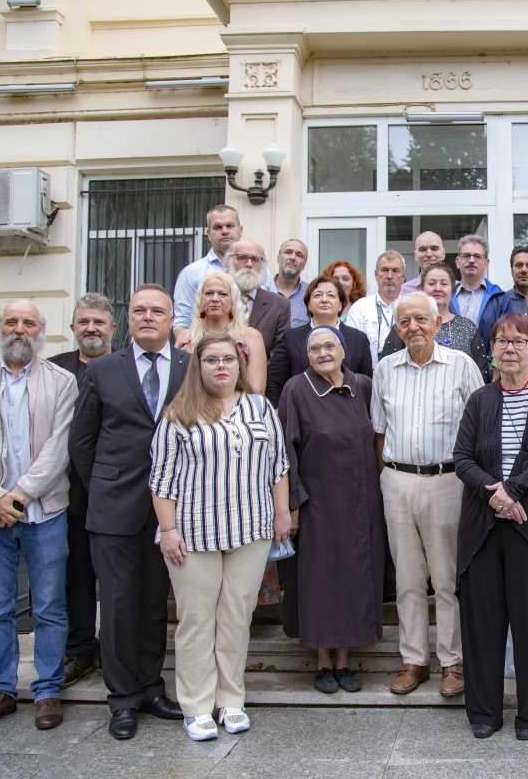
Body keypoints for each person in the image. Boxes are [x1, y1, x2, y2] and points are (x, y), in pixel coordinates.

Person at [149, 333, 290, 741]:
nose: (221, 366)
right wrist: (168, 530)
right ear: (199, 365)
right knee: (196, 619)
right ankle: (196, 706)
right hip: (193, 534)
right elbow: (161, 480)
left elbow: (278, 466)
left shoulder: (260, 408)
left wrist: (282, 513)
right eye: (212, 359)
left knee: (236, 617)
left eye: (228, 359)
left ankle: (231, 700)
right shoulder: (179, 413)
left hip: (251, 530)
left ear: (239, 364)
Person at [0, 300, 78, 733]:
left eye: (29, 323)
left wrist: (19, 496)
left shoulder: (61, 382)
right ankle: (0, 690)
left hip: (45, 512)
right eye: (11, 321)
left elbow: (60, 447)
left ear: (42, 330)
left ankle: (47, 690)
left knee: (50, 607)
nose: (19, 329)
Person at [69, 284, 190, 740]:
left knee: (154, 603)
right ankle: (122, 698)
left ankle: (151, 686)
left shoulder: (189, 366)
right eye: (140, 310)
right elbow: (82, 441)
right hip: (114, 507)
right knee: (118, 605)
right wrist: (104, 486)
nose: (148, 317)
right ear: (128, 318)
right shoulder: (103, 370)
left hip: (172, 510)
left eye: (157, 311)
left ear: (170, 320)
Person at [454, 313, 528, 741]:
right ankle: (484, 711)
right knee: (482, 623)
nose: (510, 349)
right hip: (482, 526)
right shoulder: (479, 400)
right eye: (502, 341)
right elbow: (462, 458)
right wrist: (494, 495)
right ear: (492, 350)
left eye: (519, 342)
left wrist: (512, 490)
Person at [372, 292, 485, 697]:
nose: (413, 327)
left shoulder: (462, 365)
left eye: (421, 319)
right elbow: (379, 431)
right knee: (407, 578)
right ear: (396, 329)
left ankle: (453, 663)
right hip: (398, 479)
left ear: (438, 323)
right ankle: (413, 659)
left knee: (447, 577)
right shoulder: (385, 369)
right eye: (404, 322)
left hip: (447, 480)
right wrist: (387, 476)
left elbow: (480, 425)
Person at [278, 327, 385, 695]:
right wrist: (292, 503)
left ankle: (345, 660)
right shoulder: (296, 390)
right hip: (318, 504)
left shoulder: (363, 386)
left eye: (329, 346)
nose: (323, 353)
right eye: (314, 348)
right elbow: (286, 452)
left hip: (362, 501)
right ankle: (324, 662)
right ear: (306, 355)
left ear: (343, 351)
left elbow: (378, 439)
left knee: (356, 578)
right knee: (321, 581)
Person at [48, 293, 115, 688]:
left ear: (112, 328)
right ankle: (79, 650)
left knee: (116, 576)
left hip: (116, 489)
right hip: (67, 490)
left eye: (99, 322)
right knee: (76, 574)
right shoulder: (54, 370)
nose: (91, 328)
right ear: (73, 327)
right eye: (84, 322)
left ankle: (114, 647)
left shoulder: (125, 366)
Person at [172, 204, 275, 341]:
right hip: (207, 350)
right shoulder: (192, 273)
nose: (225, 231)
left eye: (229, 226)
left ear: (240, 230)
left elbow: (274, 312)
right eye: (218, 227)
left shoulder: (260, 271)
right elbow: (182, 323)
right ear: (208, 233)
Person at [266, 276, 373, 406]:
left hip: (348, 411)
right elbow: (275, 383)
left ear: (340, 305)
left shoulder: (358, 339)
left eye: (331, 295)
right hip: (303, 410)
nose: (324, 300)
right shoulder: (290, 338)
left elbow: (366, 386)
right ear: (308, 305)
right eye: (317, 295)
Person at [380, 263, 486, 378]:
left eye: (444, 284)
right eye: (432, 283)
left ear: (452, 289)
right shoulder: (406, 326)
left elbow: (480, 373)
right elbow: (388, 367)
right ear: (422, 289)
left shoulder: (467, 327)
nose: (438, 288)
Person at [185, 272, 267, 394]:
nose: (214, 299)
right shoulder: (187, 338)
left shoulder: (251, 337)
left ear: (233, 300)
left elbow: (256, 390)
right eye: (209, 293)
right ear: (200, 299)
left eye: (222, 294)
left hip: (240, 404)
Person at [229, 238, 290, 354]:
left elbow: (280, 353)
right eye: (242, 257)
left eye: (255, 259)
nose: (249, 264)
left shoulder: (279, 305)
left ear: (262, 265)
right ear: (229, 261)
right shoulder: (216, 300)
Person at [477, 245, 528, 353]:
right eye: (519, 265)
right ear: (512, 271)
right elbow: (488, 344)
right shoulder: (498, 302)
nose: (523, 270)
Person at [347, 250, 407, 365]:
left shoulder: (411, 307)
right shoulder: (360, 308)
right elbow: (351, 346)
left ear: (403, 276)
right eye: (384, 270)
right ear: (376, 274)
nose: (389, 276)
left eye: (395, 271)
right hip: (368, 373)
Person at [452, 234, 502, 325]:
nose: (471, 260)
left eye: (477, 256)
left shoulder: (499, 297)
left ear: (486, 263)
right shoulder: (446, 295)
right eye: (466, 255)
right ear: (458, 262)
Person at [274, 238, 310, 329]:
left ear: (304, 264)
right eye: (288, 252)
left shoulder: (311, 294)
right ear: (278, 258)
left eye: (299, 255)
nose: (293, 258)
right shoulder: (262, 289)